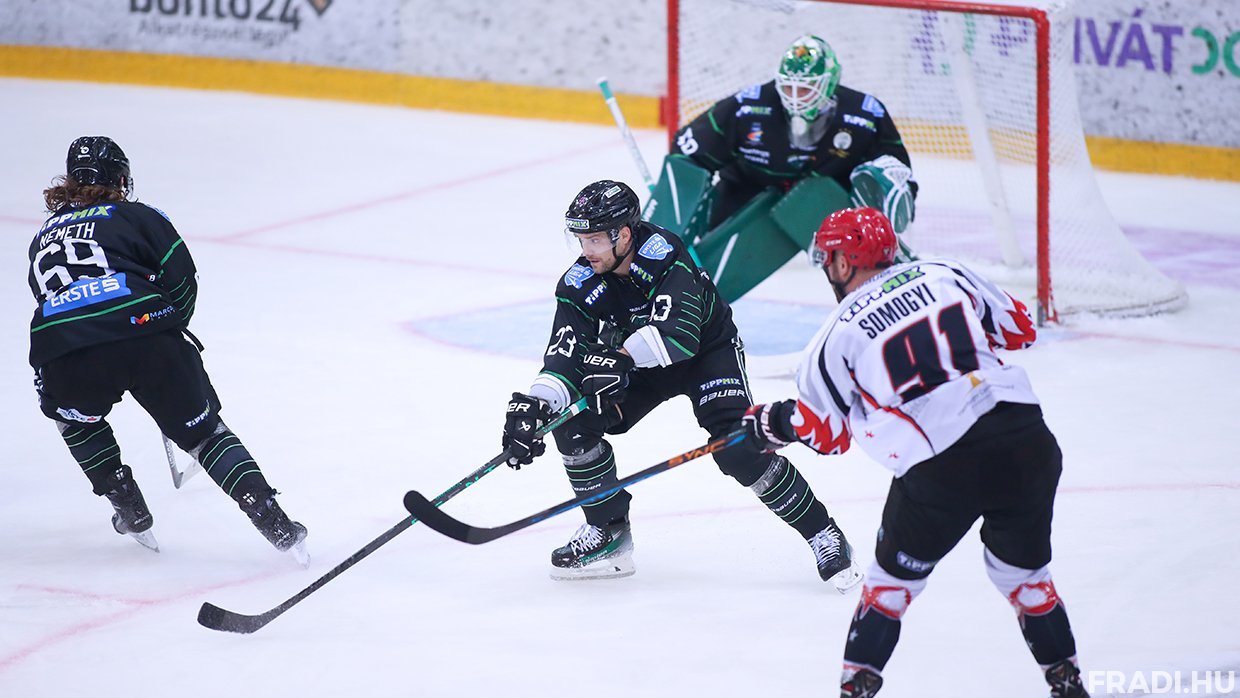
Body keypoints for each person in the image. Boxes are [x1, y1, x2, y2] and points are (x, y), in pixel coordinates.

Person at [739, 208, 1089, 697]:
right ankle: (1067, 683)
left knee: (889, 589)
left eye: (829, 260)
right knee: (1025, 577)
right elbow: (1020, 329)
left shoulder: (833, 336)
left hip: (943, 463)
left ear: (844, 264)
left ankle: (855, 689)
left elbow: (829, 436)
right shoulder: (945, 273)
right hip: (1024, 438)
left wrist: (773, 422)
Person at [499, 179, 861, 591]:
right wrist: (537, 406)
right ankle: (608, 531)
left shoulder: (664, 255)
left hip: (707, 354)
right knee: (571, 424)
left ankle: (822, 533)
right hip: (639, 364)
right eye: (581, 239)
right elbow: (564, 355)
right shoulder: (579, 282)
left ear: (624, 234)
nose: (587, 250)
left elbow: (680, 335)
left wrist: (619, 360)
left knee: (738, 448)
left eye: (595, 239)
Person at [27, 136, 308, 561]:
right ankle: (271, 517)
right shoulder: (139, 215)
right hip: (147, 333)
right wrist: (165, 329)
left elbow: (47, 296)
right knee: (205, 435)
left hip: (65, 345)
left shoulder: (42, 237)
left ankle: (125, 501)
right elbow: (182, 279)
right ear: (120, 178)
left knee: (74, 419)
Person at [646, 34, 918, 302]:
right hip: (747, 192)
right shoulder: (749, 106)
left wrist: (891, 188)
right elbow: (687, 149)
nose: (796, 97)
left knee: (863, 202)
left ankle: (897, 292)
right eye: (789, 88)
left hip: (823, 205)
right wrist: (676, 215)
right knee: (696, 276)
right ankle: (662, 292)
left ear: (829, 83)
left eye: (806, 88)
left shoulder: (865, 114)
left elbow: (898, 168)